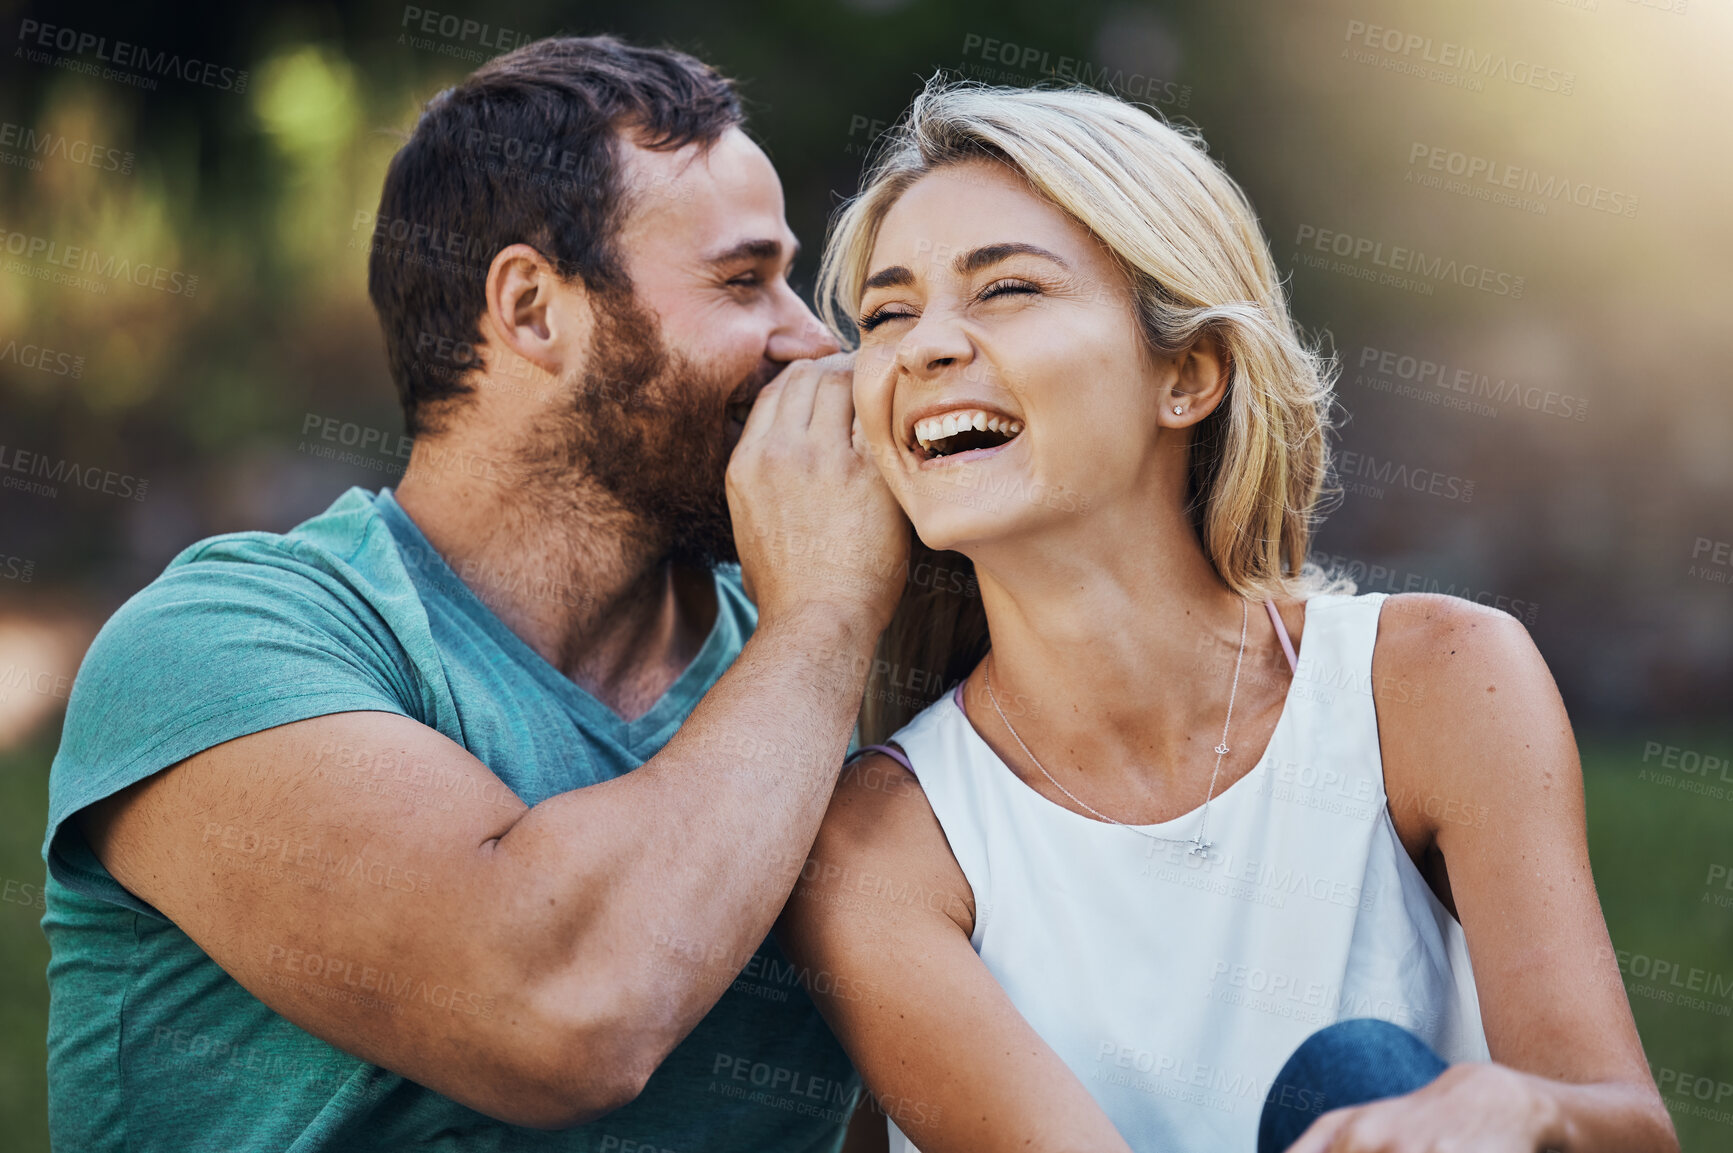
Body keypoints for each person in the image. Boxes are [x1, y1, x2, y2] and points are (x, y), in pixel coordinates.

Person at [778, 80, 1678, 1153]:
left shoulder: (1441, 678)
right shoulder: (879, 844)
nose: (923, 346)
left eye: (1005, 289)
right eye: (885, 314)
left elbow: (1628, 1128)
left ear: (1189, 373)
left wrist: (1524, 1111)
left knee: (1357, 1076)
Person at [42, 35, 906, 1151]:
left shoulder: (811, 685)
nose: (811, 340)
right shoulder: (215, 647)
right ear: (533, 309)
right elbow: (559, 1012)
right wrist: (829, 615)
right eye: (744, 281)